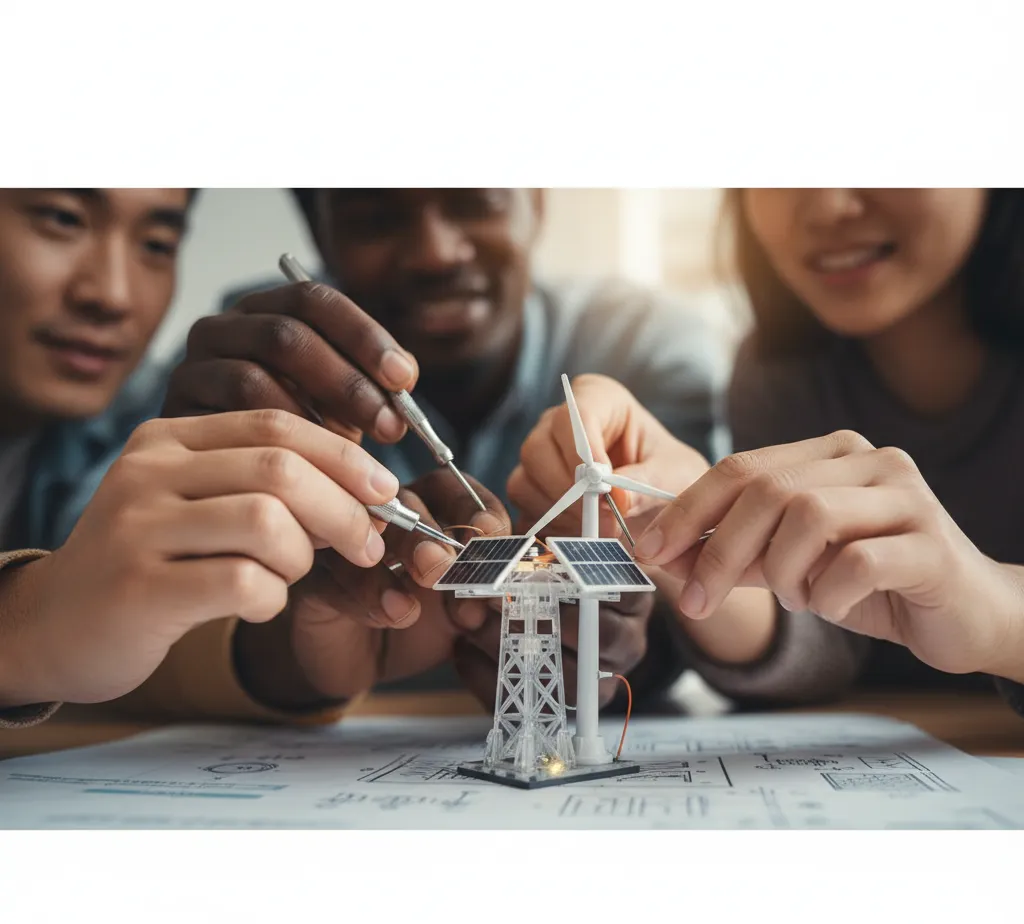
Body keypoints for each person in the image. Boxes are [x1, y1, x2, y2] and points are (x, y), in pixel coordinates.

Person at [168, 188, 729, 711]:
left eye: (474, 199)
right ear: (319, 231)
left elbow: (707, 572)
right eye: (375, 216)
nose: (435, 254)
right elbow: (106, 606)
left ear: (534, 201)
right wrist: (272, 634)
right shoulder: (251, 364)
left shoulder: (642, 344)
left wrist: (641, 637)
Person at [512, 189, 1024, 714]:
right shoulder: (779, 373)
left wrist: (1005, 619)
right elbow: (831, 636)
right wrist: (683, 524)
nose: (828, 207)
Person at [0, 188, 433, 727]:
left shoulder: (75, 432)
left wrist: (288, 652)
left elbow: (116, 626)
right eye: (62, 218)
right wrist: (25, 624)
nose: (111, 295)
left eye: (158, 243)